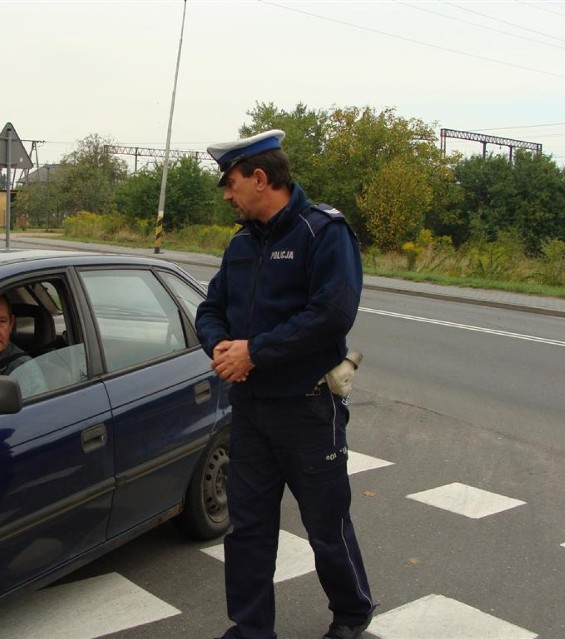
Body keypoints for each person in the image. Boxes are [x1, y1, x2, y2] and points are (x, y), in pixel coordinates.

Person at [196, 130, 375, 639]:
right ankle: (251, 630)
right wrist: (221, 348)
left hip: (308, 410)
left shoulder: (323, 232)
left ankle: (351, 611)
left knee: (326, 526)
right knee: (247, 528)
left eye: (230, 184)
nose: (227, 195)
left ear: (259, 178)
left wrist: (255, 351)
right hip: (251, 411)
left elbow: (332, 314)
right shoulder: (242, 243)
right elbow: (210, 309)